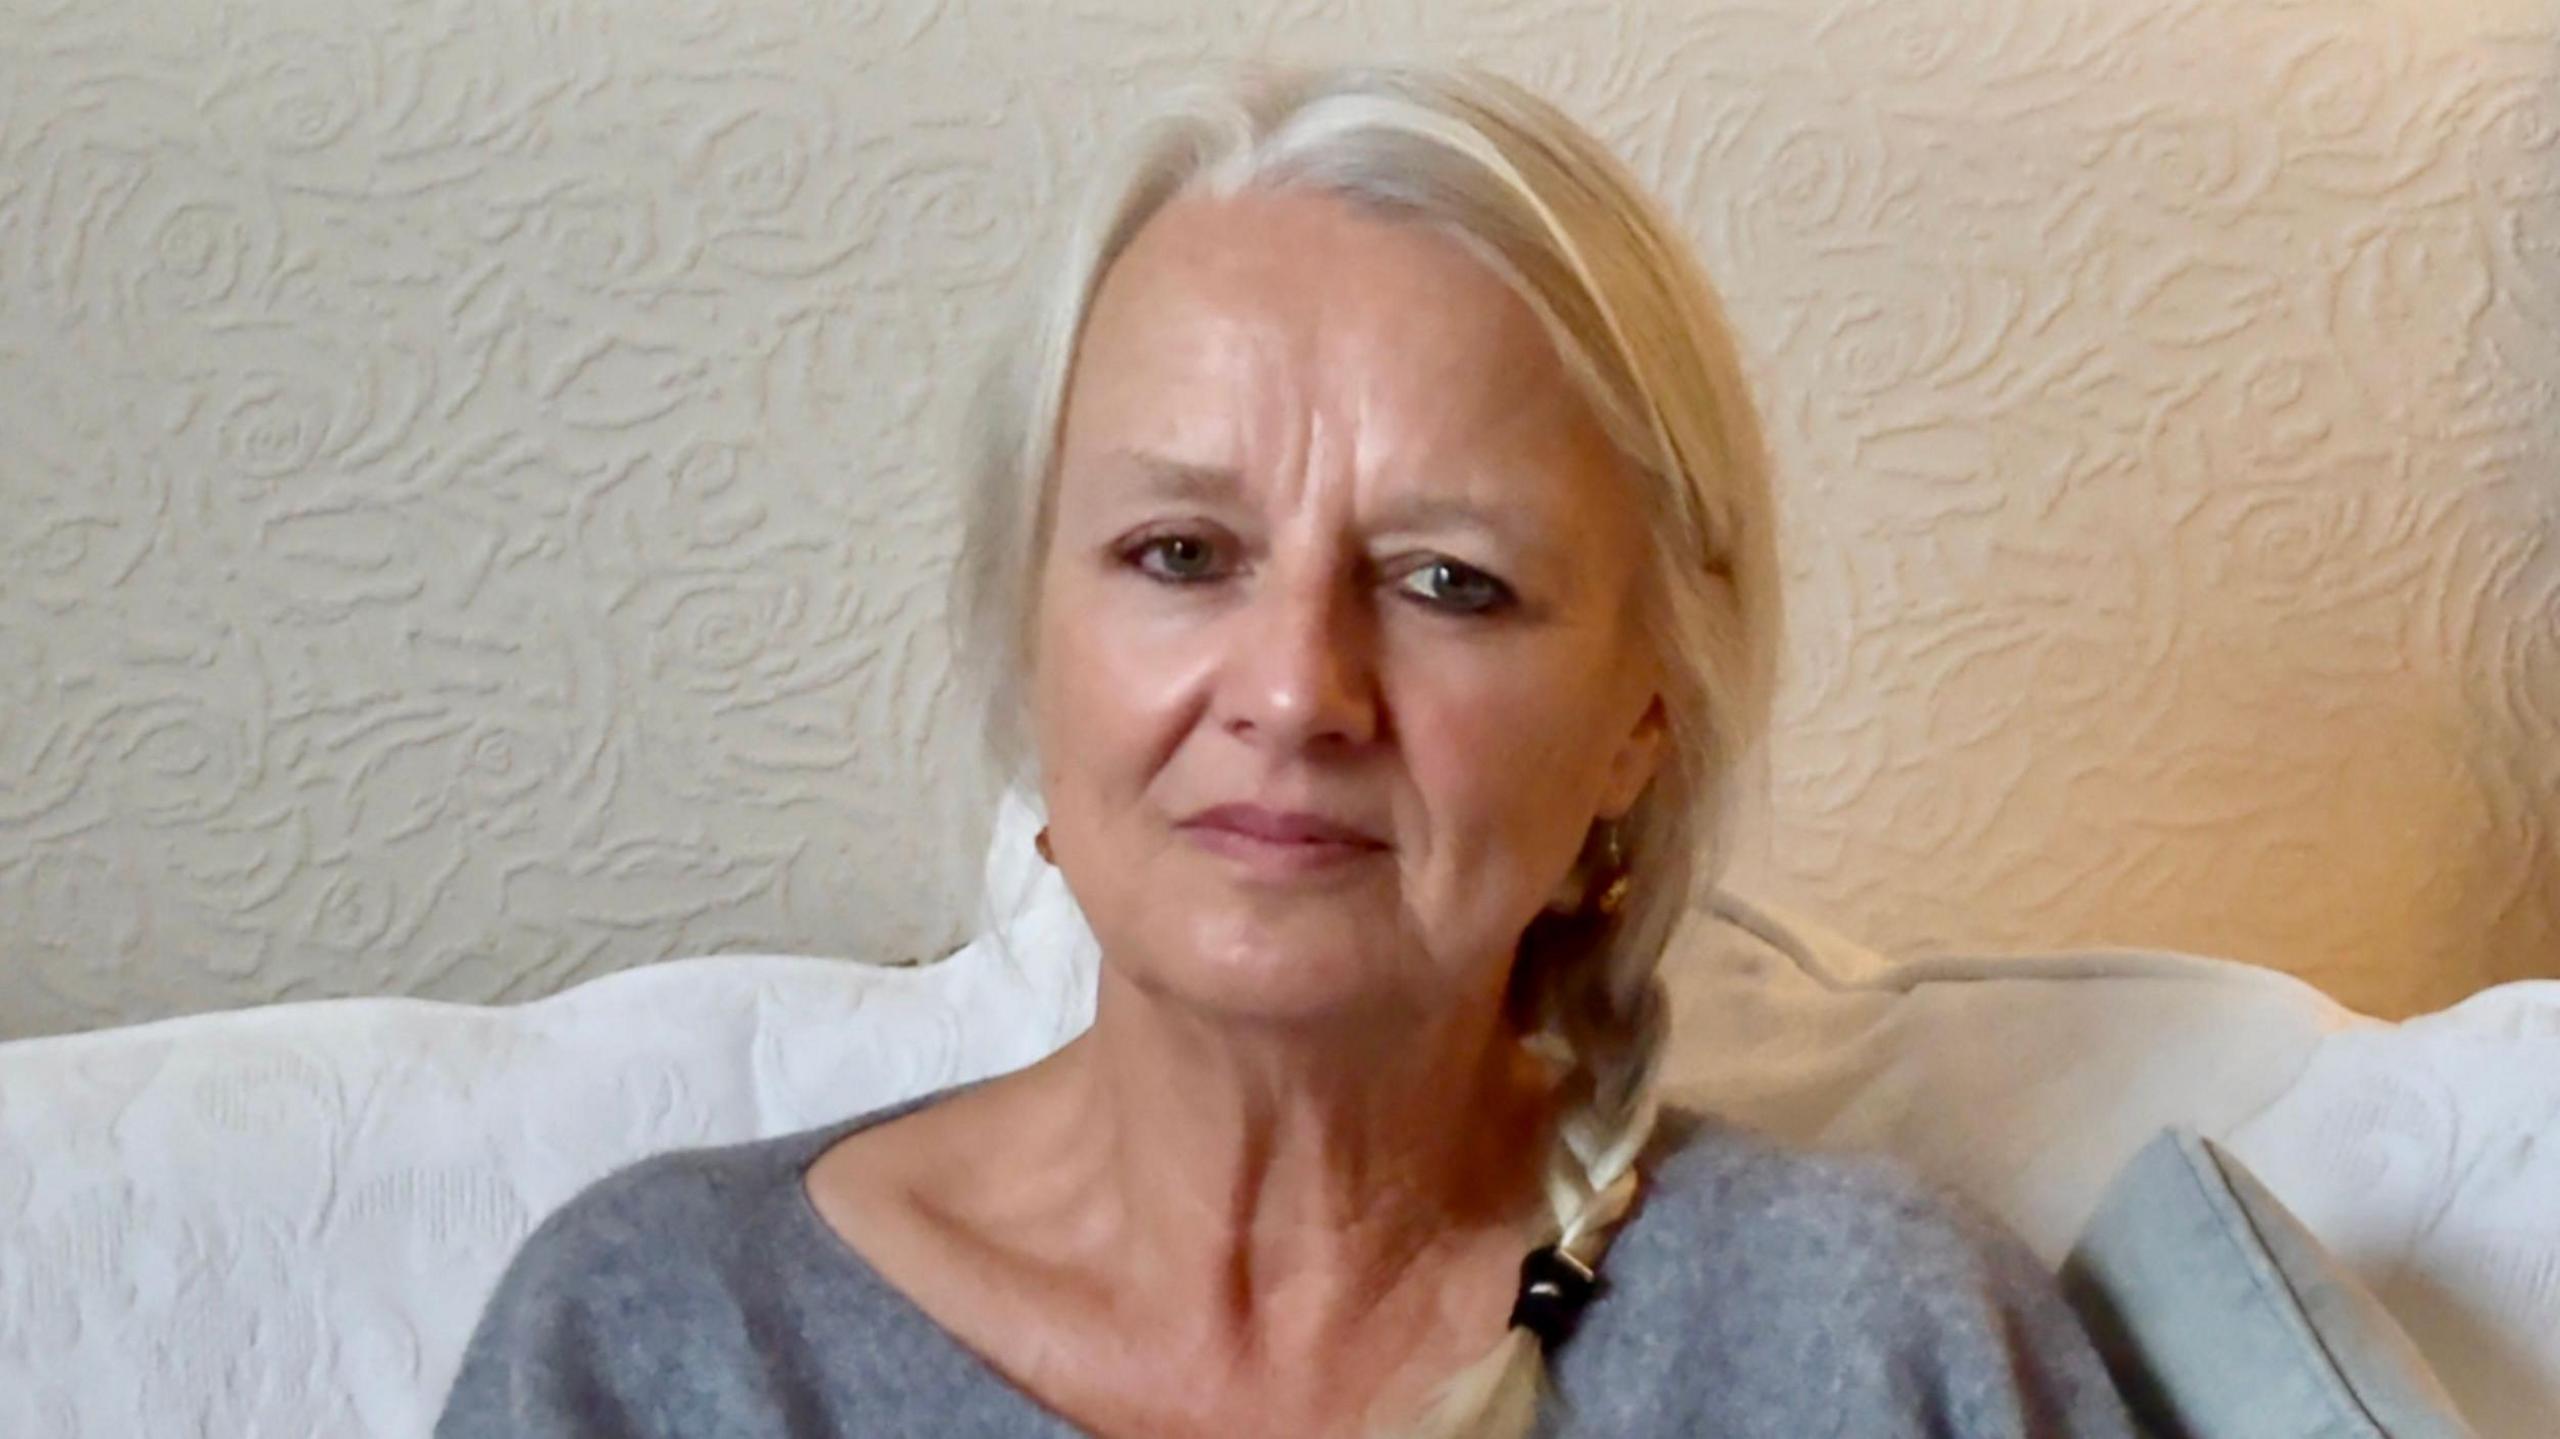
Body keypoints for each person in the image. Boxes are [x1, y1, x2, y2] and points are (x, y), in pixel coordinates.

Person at [437, 62, 2135, 1438]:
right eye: (1182, 554)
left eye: (1448, 583)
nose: (1298, 688)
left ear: (1645, 717)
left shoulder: (1868, 1345)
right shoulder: (667, 1343)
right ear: (1037, 653)